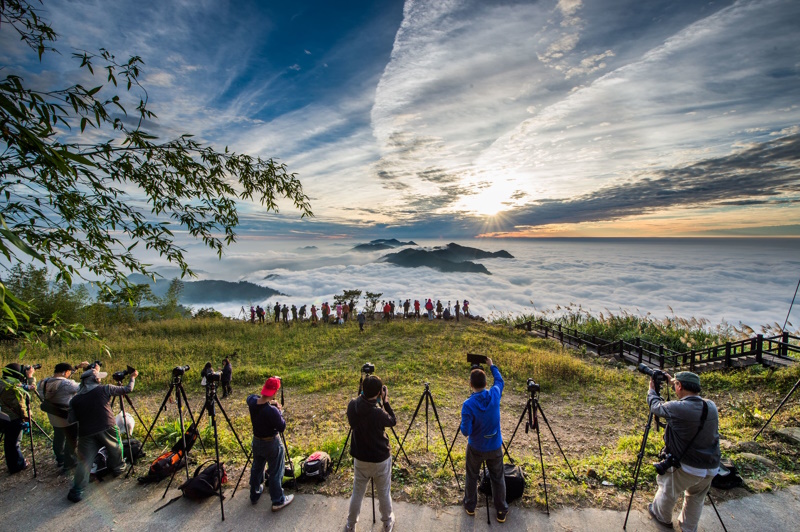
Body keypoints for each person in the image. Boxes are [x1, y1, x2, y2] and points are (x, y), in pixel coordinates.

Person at [647, 371, 720, 532]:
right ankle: (688, 527)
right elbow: (685, 403)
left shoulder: (678, 408)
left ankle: (661, 516)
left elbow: (655, 406)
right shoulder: (711, 406)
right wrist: (672, 381)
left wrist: (652, 390)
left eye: (676, 385)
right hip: (711, 466)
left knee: (668, 488)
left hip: (688, 466)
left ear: (679, 386)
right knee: (696, 497)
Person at [67, 365, 138, 502]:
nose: (100, 379)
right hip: (107, 427)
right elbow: (128, 389)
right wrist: (132, 378)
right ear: (94, 379)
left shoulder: (75, 400)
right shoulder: (105, 389)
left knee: (84, 462)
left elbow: (71, 419)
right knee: (116, 447)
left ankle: (76, 490)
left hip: (85, 433)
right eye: (98, 378)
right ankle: (119, 468)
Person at [460, 358, 508, 522]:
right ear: (486, 383)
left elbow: (466, 431)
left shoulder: (468, 405)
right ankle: (501, 510)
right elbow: (500, 380)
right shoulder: (495, 394)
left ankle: (470, 506)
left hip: (476, 447)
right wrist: (492, 365)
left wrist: (463, 424)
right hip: (495, 445)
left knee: (472, 476)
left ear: (470, 384)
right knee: (497, 477)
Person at [346, 375, 396, 532]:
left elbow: (358, 410)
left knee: (357, 492)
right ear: (379, 393)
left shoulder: (352, 405)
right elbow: (392, 421)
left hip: (360, 458)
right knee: (384, 492)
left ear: (362, 389)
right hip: (380, 459)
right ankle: (387, 522)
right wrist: (385, 402)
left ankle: (351, 524)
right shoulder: (378, 413)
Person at [247, 377, 294, 511]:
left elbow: (253, 398)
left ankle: (254, 493)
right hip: (271, 443)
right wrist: (279, 411)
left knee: (257, 467)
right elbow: (282, 426)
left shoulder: (252, 402)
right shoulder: (272, 411)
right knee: (275, 471)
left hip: (257, 441)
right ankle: (278, 500)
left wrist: (270, 401)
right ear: (274, 392)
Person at [37, 361, 89, 474]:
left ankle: (60, 459)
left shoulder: (43, 383)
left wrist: (76, 367)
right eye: (69, 373)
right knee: (71, 439)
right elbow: (83, 387)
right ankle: (69, 462)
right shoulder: (67, 384)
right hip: (67, 417)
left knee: (58, 437)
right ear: (65, 372)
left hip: (53, 417)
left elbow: (61, 380)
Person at [0, 363, 37, 474]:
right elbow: (31, 389)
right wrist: (30, 377)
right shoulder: (15, 385)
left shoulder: (2, 382)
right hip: (13, 417)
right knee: (14, 442)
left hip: (3, 417)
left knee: (9, 441)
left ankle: (13, 463)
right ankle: (17, 465)